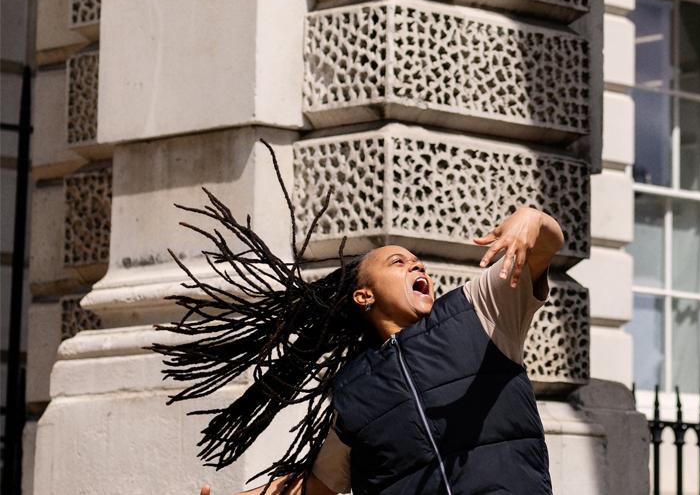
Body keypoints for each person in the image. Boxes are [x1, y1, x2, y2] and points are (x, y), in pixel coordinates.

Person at [152, 148, 564, 495]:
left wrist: (532, 218)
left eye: (417, 262)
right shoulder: (355, 389)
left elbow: (545, 248)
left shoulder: (478, 311)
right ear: (363, 296)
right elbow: (318, 486)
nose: (415, 264)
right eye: (397, 262)